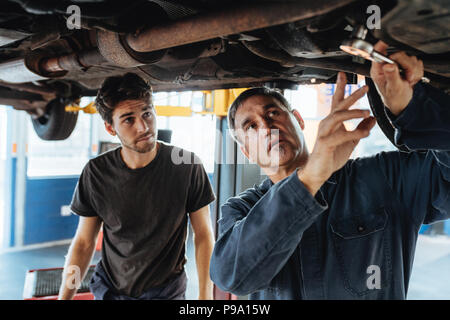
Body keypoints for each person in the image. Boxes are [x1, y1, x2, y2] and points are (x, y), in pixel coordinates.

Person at [210, 41, 450, 299]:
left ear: (299, 120)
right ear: (246, 151)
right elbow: (231, 276)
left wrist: (414, 109)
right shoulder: (241, 210)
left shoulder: (382, 177)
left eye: (272, 113)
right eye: (251, 127)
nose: (267, 128)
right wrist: (309, 179)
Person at [58, 73, 216, 300]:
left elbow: (203, 235)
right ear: (111, 128)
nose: (143, 127)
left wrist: (205, 297)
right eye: (128, 119)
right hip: (111, 292)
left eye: (147, 114)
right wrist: (65, 296)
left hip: (165, 294)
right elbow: (83, 243)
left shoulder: (187, 165)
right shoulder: (96, 173)